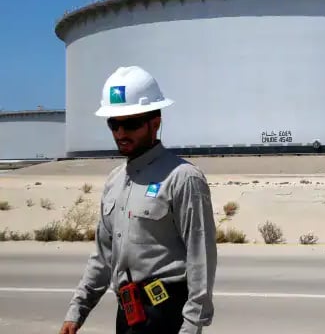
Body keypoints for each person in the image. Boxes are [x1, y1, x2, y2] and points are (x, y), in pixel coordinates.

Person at [58, 65, 217, 334]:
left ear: (155, 123)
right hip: (129, 316)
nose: (121, 133)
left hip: (168, 316)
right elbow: (102, 257)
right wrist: (77, 311)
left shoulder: (182, 178)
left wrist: (192, 327)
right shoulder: (114, 182)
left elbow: (201, 258)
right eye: (113, 124)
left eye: (130, 123)